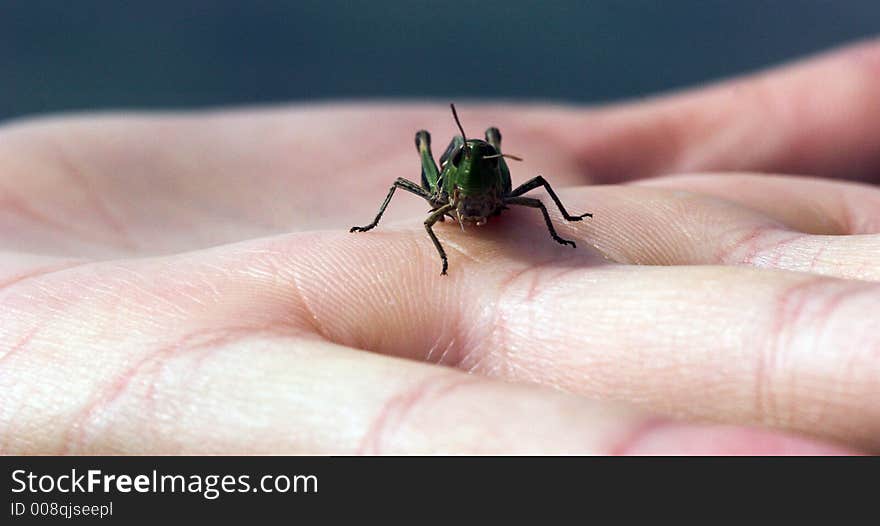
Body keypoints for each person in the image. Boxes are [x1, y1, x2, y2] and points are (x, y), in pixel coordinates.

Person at [1, 41, 878, 455]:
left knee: (532, 201)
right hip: (452, 219)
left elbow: (527, 194)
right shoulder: (436, 189)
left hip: (510, 205)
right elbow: (419, 210)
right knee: (435, 207)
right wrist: (445, 243)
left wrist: (560, 229)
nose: (470, 170)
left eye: (475, 161)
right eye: (465, 164)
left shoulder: (505, 178)